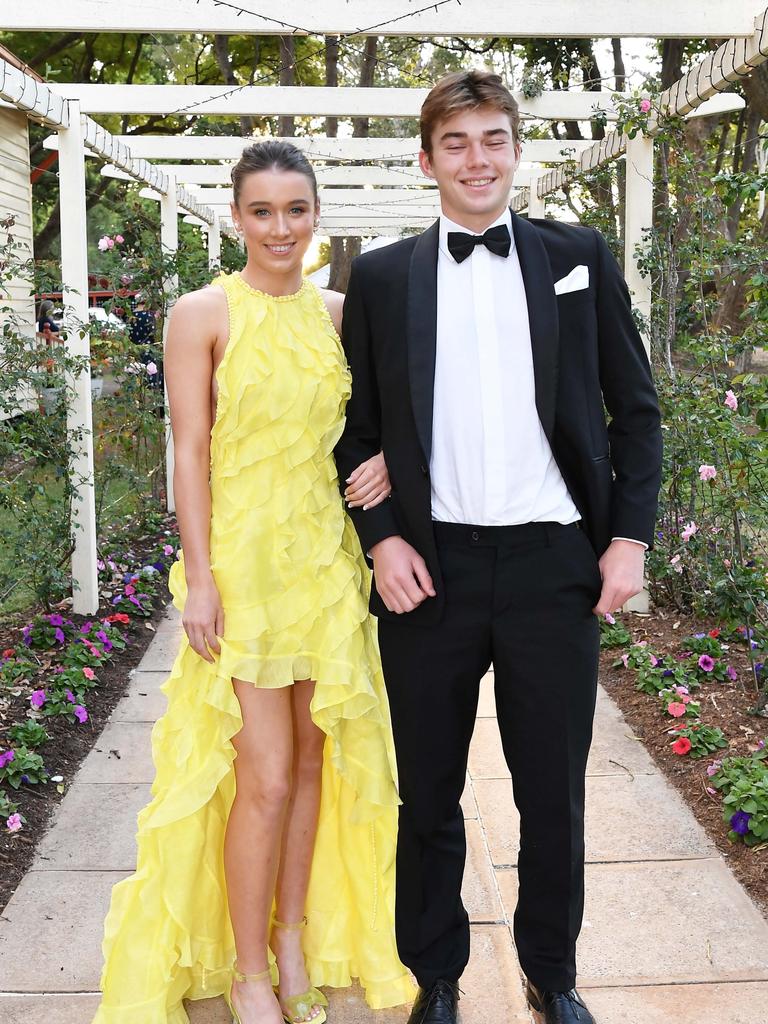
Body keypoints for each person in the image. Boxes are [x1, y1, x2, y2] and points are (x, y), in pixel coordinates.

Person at [335, 71, 663, 1024]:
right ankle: (434, 975)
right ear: (428, 158)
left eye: (492, 140)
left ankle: (551, 975)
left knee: (552, 791)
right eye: (456, 143)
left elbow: (635, 413)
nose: (476, 159)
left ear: (516, 151)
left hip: (551, 565)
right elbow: (355, 431)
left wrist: (628, 539)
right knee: (427, 788)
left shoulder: (579, 257)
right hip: (428, 570)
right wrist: (382, 540)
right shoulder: (385, 277)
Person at [94, 140, 414, 1024]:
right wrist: (199, 580)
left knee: (314, 761)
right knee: (264, 774)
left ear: (318, 218)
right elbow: (188, 456)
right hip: (241, 568)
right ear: (238, 217)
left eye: (297, 210)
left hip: (325, 564)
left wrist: (384, 461)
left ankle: (291, 939)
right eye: (263, 211)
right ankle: (243, 971)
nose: (281, 228)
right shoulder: (201, 313)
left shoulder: (343, 313)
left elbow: (379, 423)